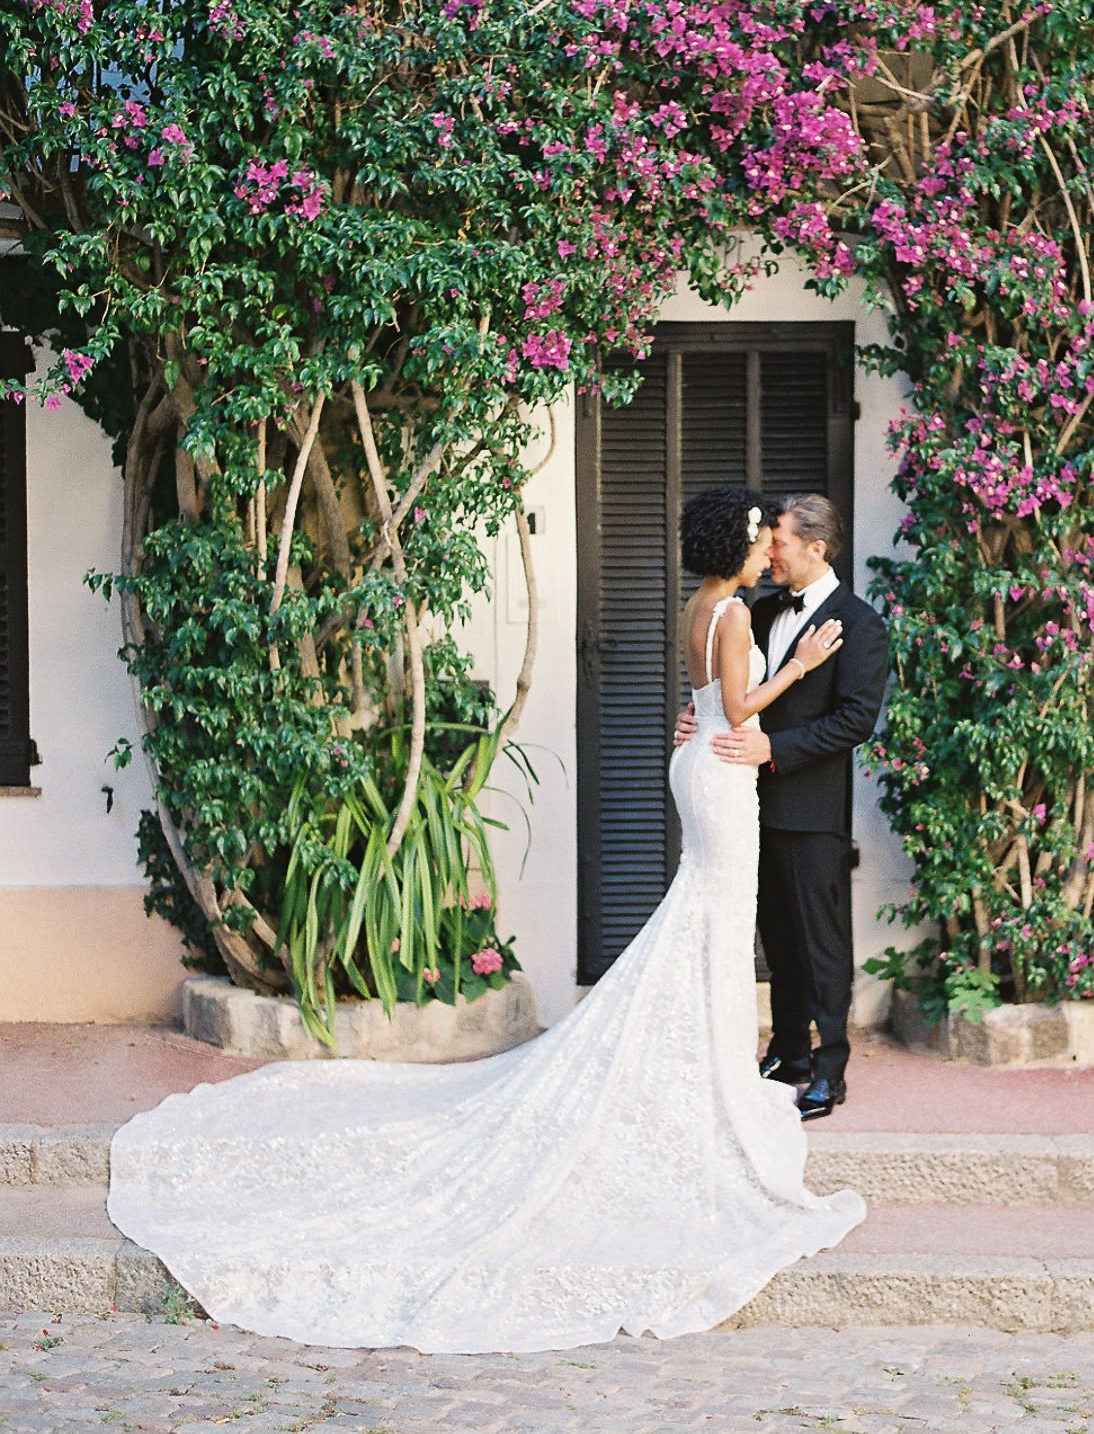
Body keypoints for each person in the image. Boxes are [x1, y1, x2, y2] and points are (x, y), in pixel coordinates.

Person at [107, 486, 865, 1355]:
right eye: (757, 539)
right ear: (735, 549)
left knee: (705, 919)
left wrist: (721, 708)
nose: (769, 549)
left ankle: (712, 1060)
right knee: (714, 919)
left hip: (699, 765)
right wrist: (798, 668)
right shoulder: (733, 612)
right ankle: (711, 1075)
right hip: (723, 770)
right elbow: (736, 708)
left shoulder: (704, 603)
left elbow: (705, 702)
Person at [676, 494, 890, 1121]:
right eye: (766, 542)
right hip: (741, 801)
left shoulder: (861, 622)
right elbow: (733, 691)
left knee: (820, 941)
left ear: (816, 549)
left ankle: (830, 1069)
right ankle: (789, 1050)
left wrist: (777, 745)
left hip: (809, 806)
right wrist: (700, 713)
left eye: (782, 543)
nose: (769, 552)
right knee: (776, 937)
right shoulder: (757, 609)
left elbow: (855, 720)